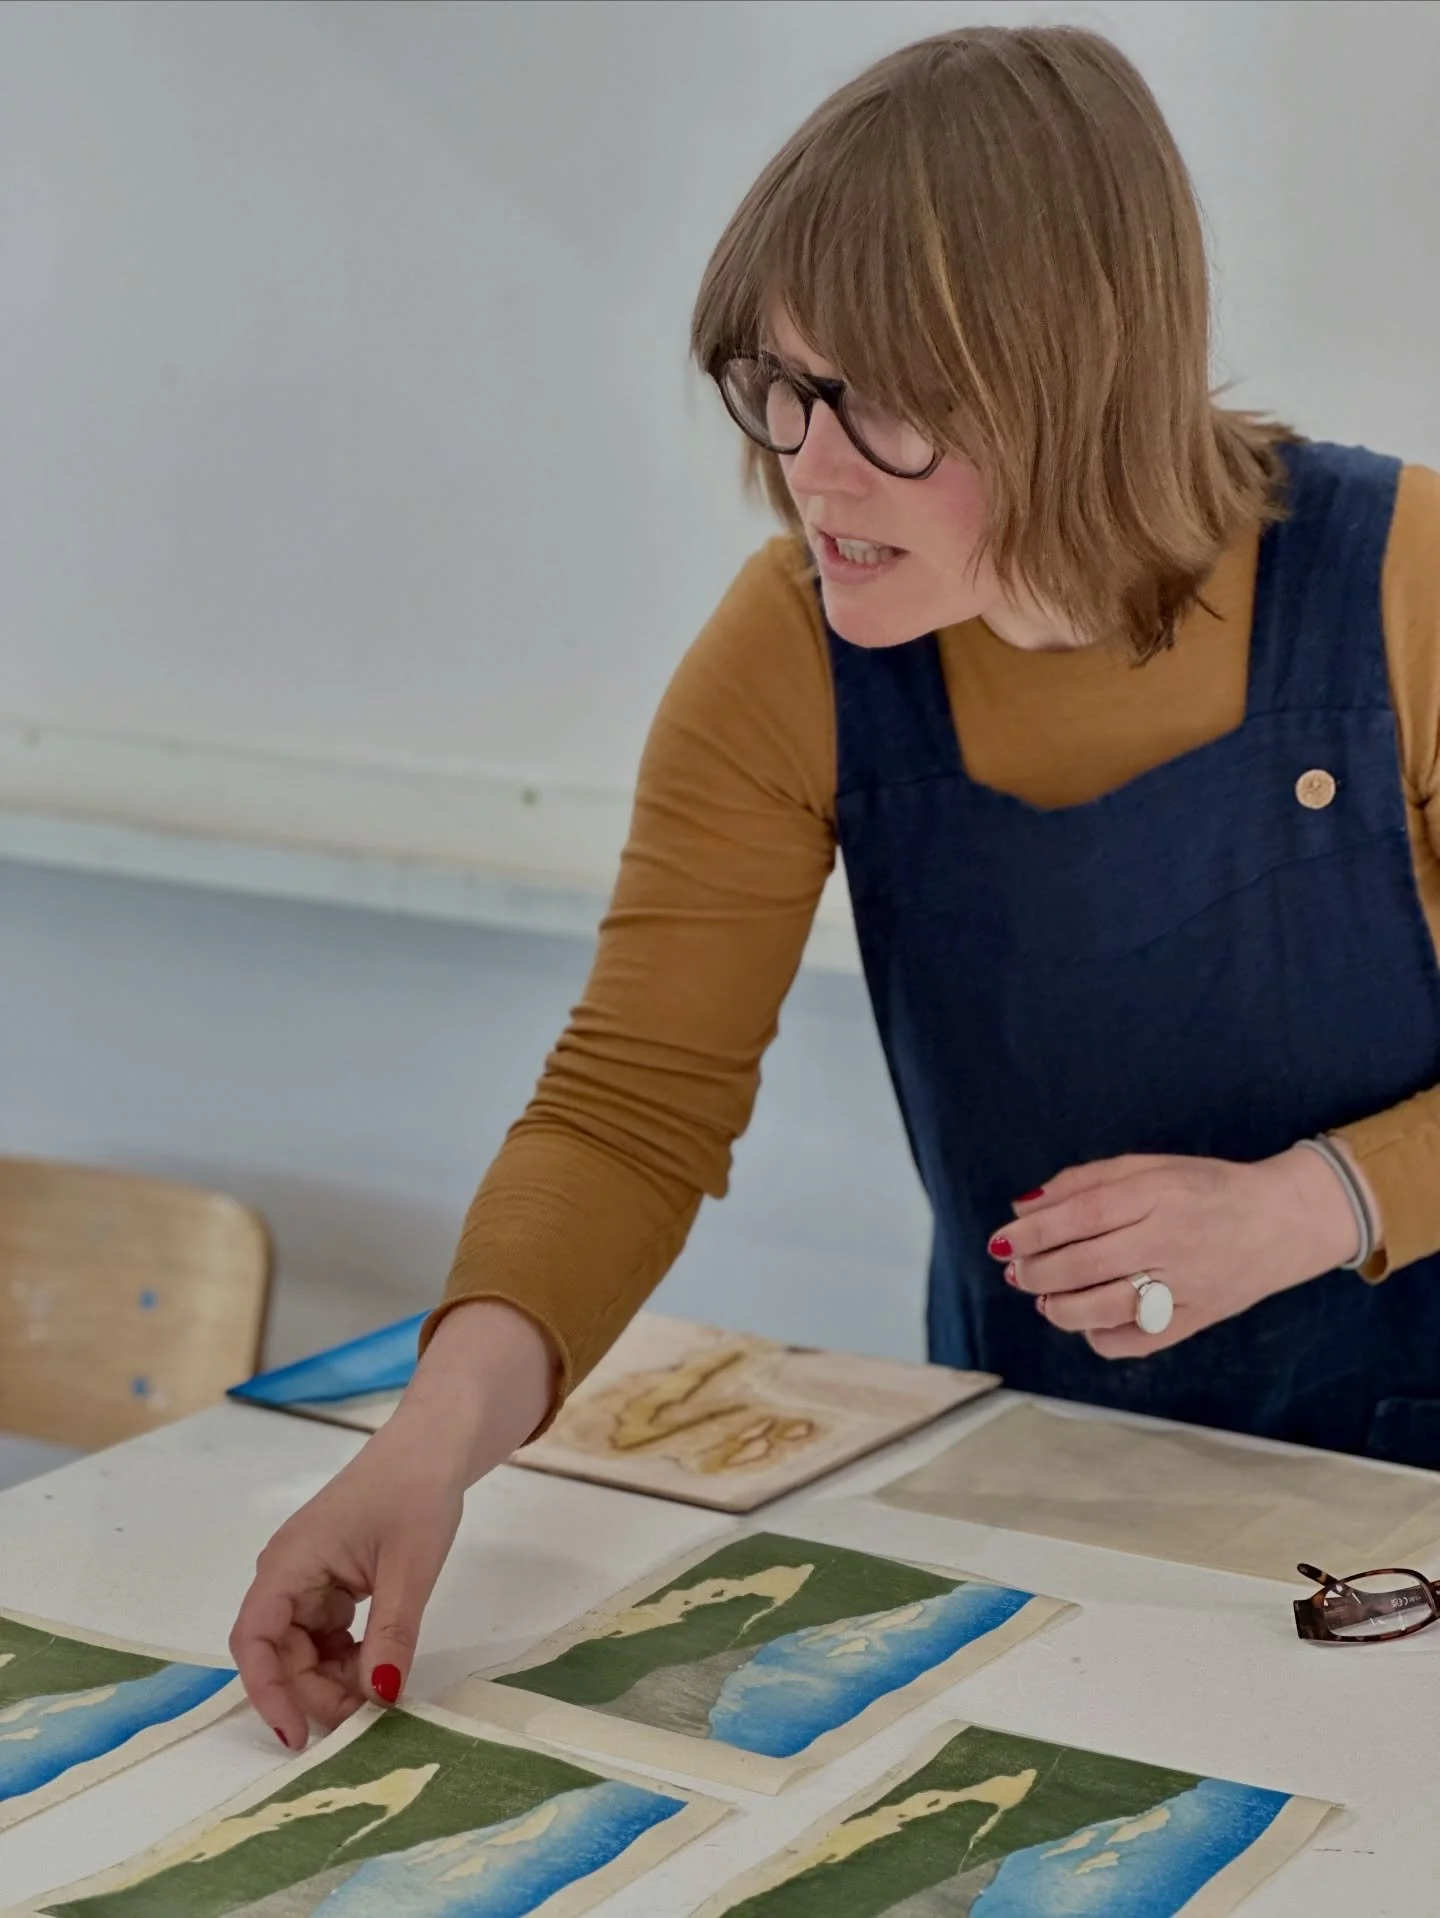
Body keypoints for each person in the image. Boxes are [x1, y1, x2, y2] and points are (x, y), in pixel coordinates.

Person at [230, 23, 1440, 1751]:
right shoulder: (788, 653)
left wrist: (1306, 1204)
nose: (810, 461)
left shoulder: (1408, 585)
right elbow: (632, 1107)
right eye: (781, 386)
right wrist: (422, 1452)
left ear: (1074, 373)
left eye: (880, 399)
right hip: (1053, 1473)